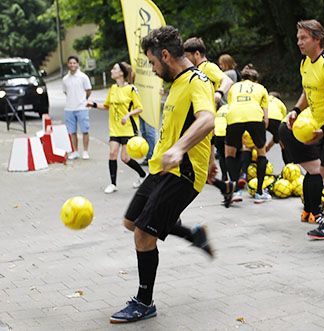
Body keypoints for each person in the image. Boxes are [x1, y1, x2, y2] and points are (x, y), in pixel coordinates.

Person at [109, 26, 216, 324]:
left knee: (144, 233)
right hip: (160, 168)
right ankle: (192, 233)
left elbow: (208, 119)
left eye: (154, 63)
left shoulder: (196, 81)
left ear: (165, 55)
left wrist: (181, 149)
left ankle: (144, 302)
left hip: (182, 173)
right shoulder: (177, 82)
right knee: (132, 222)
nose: (154, 70)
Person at [279, 19, 324, 239]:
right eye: (298, 38)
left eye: (303, 38)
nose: (299, 42)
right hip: (316, 124)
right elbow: (307, 93)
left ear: (317, 38)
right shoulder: (306, 62)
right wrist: (296, 110)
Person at [87, 62, 147, 194]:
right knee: (112, 153)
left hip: (128, 128)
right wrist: (93, 104)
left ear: (121, 73)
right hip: (115, 128)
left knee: (125, 158)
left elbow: (140, 108)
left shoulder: (131, 89)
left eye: (114, 69)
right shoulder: (113, 88)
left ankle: (143, 175)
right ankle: (113, 184)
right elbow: (107, 106)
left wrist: (128, 115)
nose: (112, 71)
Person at [222, 64, 271, 204]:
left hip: (234, 117)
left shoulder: (234, 87)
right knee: (261, 153)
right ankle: (259, 193)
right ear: (255, 80)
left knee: (230, 154)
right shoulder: (261, 88)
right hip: (255, 116)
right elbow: (266, 119)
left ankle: (236, 191)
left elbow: (231, 105)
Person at [183, 37, 233, 105]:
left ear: (197, 54)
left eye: (187, 56)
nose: (186, 59)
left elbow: (227, 81)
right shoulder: (196, 69)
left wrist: (219, 93)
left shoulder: (208, 66)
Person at [62, 55, 92, 160]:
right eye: (70, 63)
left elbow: (88, 90)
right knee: (72, 132)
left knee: (85, 130)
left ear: (78, 64)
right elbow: (66, 92)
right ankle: (75, 151)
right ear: (68, 64)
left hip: (82, 108)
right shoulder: (65, 79)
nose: (72, 65)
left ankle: (85, 151)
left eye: (74, 63)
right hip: (69, 109)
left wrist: (83, 100)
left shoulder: (83, 77)